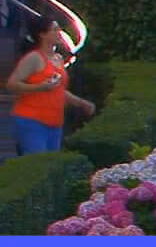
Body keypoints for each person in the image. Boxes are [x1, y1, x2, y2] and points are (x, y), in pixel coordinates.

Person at [7, 16, 94, 154]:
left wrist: (81, 103)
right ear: (42, 34)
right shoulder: (34, 58)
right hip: (32, 120)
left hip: (54, 121)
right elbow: (12, 84)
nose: (59, 32)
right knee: (38, 164)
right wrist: (39, 87)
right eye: (54, 29)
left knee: (50, 164)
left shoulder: (58, 58)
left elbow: (59, 90)